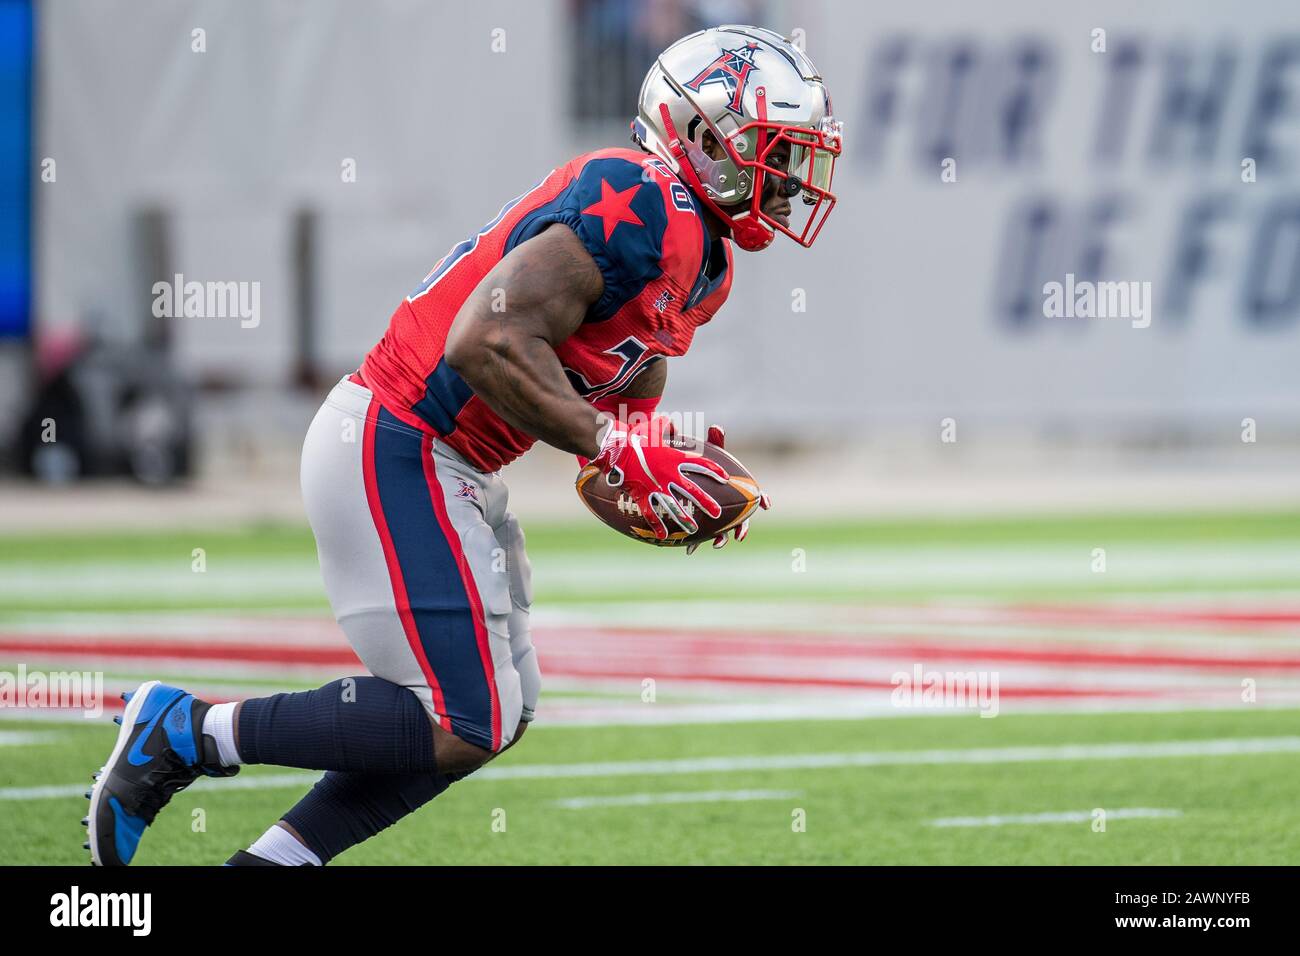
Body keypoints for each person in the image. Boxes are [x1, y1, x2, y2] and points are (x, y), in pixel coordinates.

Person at [85, 24, 841, 866]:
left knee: (497, 716)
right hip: (398, 433)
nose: (790, 180)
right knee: (462, 713)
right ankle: (185, 732)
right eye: (777, 150)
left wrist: (658, 452)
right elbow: (483, 341)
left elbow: (622, 385)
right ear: (702, 135)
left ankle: (269, 863)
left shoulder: (704, 262)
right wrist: (608, 442)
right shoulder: (638, 198)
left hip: (454, 463)